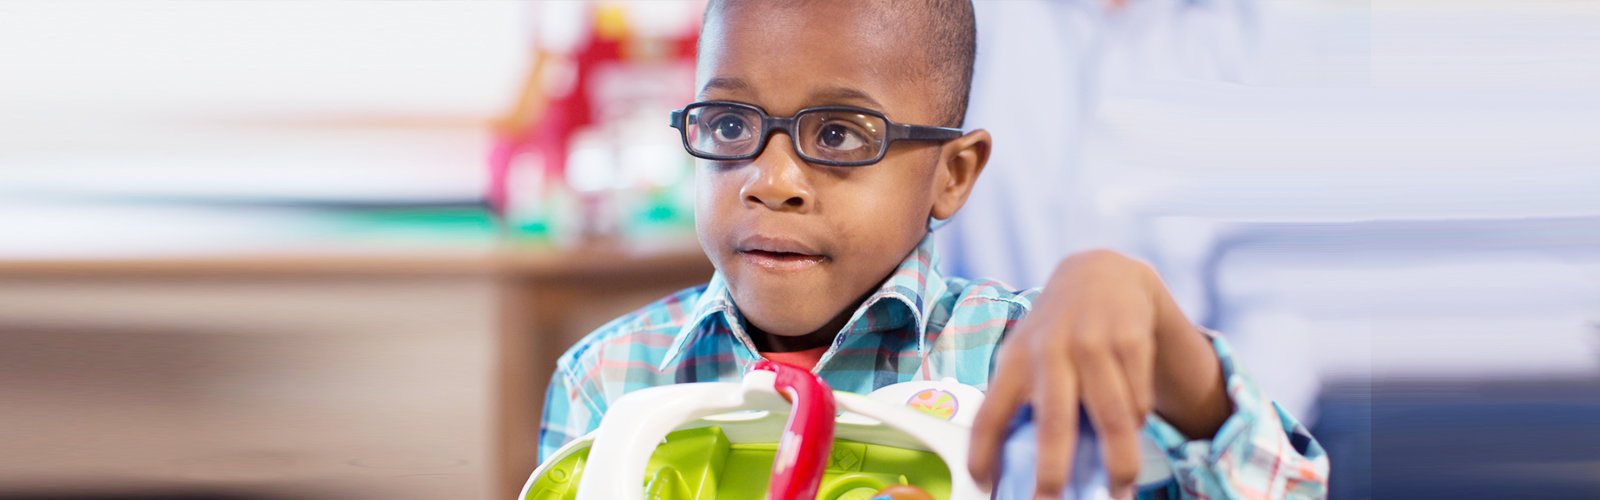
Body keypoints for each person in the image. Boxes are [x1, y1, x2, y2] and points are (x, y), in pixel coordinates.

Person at [538, 1, 1328, 498]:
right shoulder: (608, 376)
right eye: (731, 126)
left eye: (840, 134)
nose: (771, 179)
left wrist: (1155, 326)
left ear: (953, 175)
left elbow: (1279, 488)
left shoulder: (1024, 364)